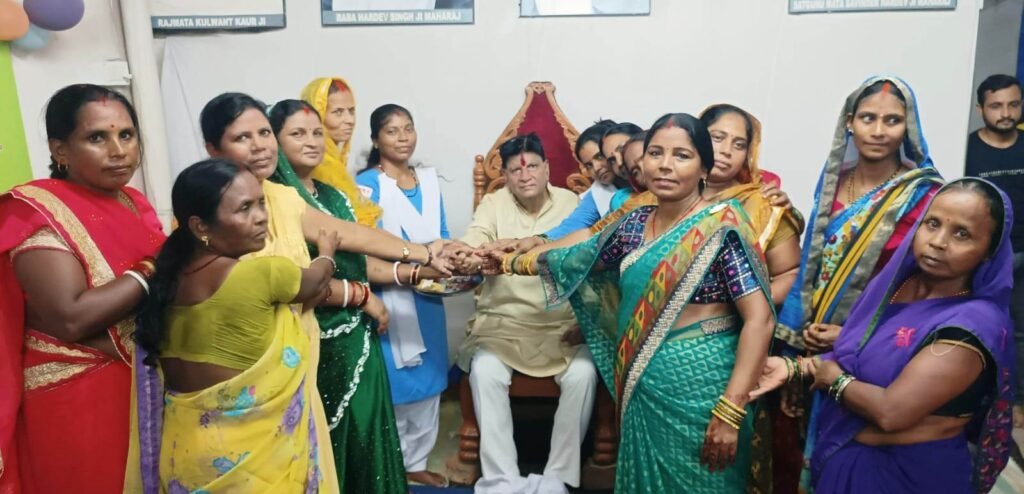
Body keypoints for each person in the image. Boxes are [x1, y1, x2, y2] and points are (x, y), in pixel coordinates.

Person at [485, 113, 776, 492]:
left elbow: (759, 320)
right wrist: (512, 259)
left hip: (704, 391)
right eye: (656, 153)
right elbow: (580, 253)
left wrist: (731, 410)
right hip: (643, 383)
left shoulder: (723, 226)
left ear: (704, 167)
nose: (665, 165)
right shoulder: (636, 223)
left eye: (682, 155)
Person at [195, 92, 460, 491]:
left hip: (302, 350)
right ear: (213, 148)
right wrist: (358, 293)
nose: (260, 145)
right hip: (249, 366)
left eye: (263, 133)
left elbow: (344, 234)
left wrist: (423, 253)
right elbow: (288, 283)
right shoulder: (210, 211)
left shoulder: (282, 197)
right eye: (242, 137)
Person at [752, 178, 1016, 494]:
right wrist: (795, 367)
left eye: (962, 234)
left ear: (989, 250)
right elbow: (863, 351)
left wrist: (834, 379)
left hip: (908, 476)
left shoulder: (973, 325)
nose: (938, 241)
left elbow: (890, 412)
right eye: (932, 224)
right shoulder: (898, 283)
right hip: (847, 463)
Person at [773, 76, 944, 492]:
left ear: (908, 127)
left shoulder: (925, 195)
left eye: (892, 120)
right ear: (849, 122)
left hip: (875, 348)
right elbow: (812, 263)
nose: (879, 130)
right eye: (868, 118)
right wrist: (793, 345)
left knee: (855, 459)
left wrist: (852, 335)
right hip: (812, 341)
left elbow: (925, 286)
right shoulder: (834, 181)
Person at [135, 159, 338, 492]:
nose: (261, 217)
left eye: (261, 203)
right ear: (201, 226)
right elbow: (315, 282)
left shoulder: (166, 280)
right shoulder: (262, 273)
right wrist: (327, 254)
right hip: (253, 467)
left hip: (186, 457)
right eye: (244, 208)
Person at [0, 84, 165, 493]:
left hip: (142, 387)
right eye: (97, 138)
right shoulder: (36, 211)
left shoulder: (132, 201)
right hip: (77, 400)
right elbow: (70, 318)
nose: (118, 150)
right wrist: (152, 270)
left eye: (126, 135)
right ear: (60, 149)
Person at [268, 99, 415, 493]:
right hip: (313, 338)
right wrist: (363, 295)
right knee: (324, 446)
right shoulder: (276, 200)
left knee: (367, 435)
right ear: (276, 141)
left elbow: (359, 260)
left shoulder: (334, 196)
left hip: (358, 338)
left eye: (317, 133)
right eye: (297, 134)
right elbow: (291, 280)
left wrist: (419, 268)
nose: (312, 141)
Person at [455, 134, 595, 494]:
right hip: (502, 323)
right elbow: (474, 238)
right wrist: (472, 254)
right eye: (516, 170)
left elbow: (588, 247)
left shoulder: (572, 203)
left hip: (561, 325)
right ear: (505, 175)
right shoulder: (494, 203)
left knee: (583, 373)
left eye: (533, 166)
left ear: (547, 168)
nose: (526, 175)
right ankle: (501, 479)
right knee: (485, 370)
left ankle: (557, 478)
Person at [356, 104, 452, 487]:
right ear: (376, 139)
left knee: (430, 379)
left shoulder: (427, 180)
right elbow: (364, 243)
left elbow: (441, 233)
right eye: (392, 131)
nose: (403, 138)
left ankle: (417, 462)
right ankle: (391, 464)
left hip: (429, 293)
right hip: (389, 291)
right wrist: (415, 261)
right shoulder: (367, 184)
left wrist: (449, 255)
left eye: (408, 129)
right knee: (396, 381)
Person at [964, 74, 1024, 426]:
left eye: (1013, 105)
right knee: (980, 328)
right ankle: (975, 401)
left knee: (1020, 332)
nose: (1006, 113)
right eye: (996, 106)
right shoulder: (966, 149)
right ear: (980, 109)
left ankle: (1017, 405)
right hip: (983, 257)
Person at [300, 76, 382, 227]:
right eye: (338, 112)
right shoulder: (316, 165)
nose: (350, 120)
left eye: (351, 111)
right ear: (317, 115)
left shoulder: (335, 163)